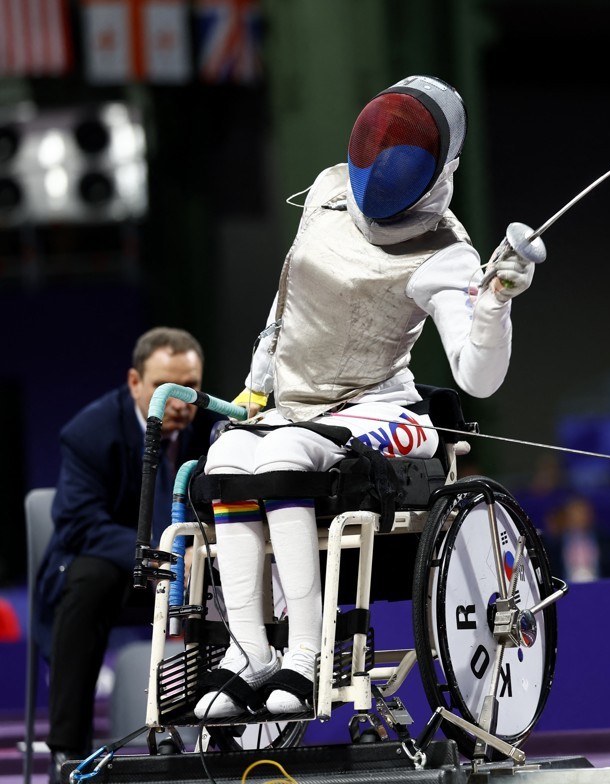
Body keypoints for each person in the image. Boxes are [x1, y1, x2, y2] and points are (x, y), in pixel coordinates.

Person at [194, 74, 541, 719]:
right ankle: (251, 654)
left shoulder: (448, 253)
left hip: (381, 411)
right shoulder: (328, 189)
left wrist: (493, 300)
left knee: (280, 459)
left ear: (444, 168)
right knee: (225, 460)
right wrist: (257, 382)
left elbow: (477, 377)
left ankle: (305, 656)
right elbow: (287, 297)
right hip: (291, 406)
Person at [34, 327, 223, 774]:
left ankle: (237, 733)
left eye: (191, 387)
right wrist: (166, 554)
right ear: (135, 382)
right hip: (119, 566)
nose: (179, 400)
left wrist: (204, 549)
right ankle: (68, 752)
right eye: (163, 387)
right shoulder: (89, 432)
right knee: (87, 583)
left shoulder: (214, 434)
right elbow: (80, 524)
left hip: (195, 568)